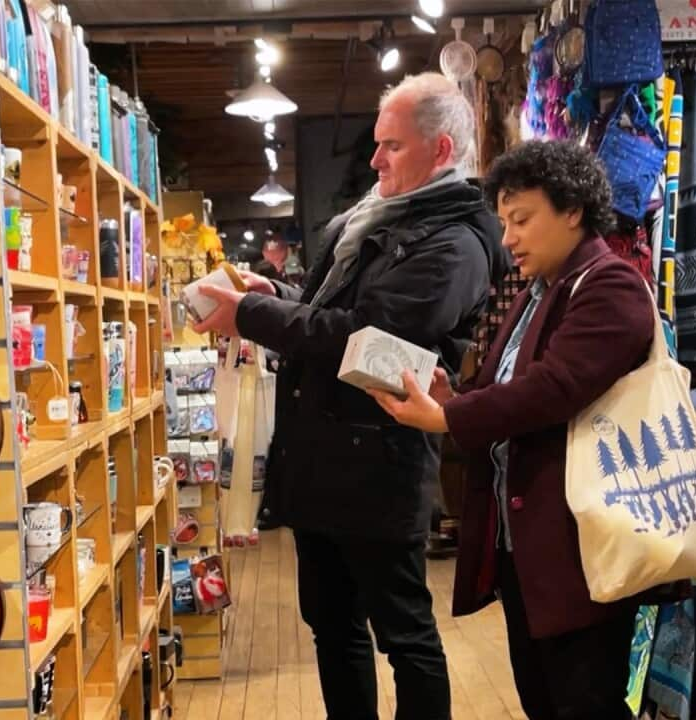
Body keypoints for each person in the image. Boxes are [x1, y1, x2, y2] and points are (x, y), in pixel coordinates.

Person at [193, 72, 508, 720]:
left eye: (390, 145)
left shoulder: (456, 240)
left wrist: (251, 315)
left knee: (403, 633)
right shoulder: (377, 222)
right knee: (332, 629)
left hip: (380, 464)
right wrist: (272, 296)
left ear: (440, 151)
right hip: (322, 461)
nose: (373, 159)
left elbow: (368, 339)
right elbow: (332, 315)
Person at [369, 141, 657, 720]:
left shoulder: (610, 286)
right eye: (504, 222)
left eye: (521, 219)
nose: (508, 239)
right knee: (544, 700)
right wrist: (459, 396)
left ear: (572, 210)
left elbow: (553, 388)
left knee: (585, 702)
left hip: (583, 547)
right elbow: (513, 387)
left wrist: (449, 417)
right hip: (531, 549)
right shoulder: (538, 293)